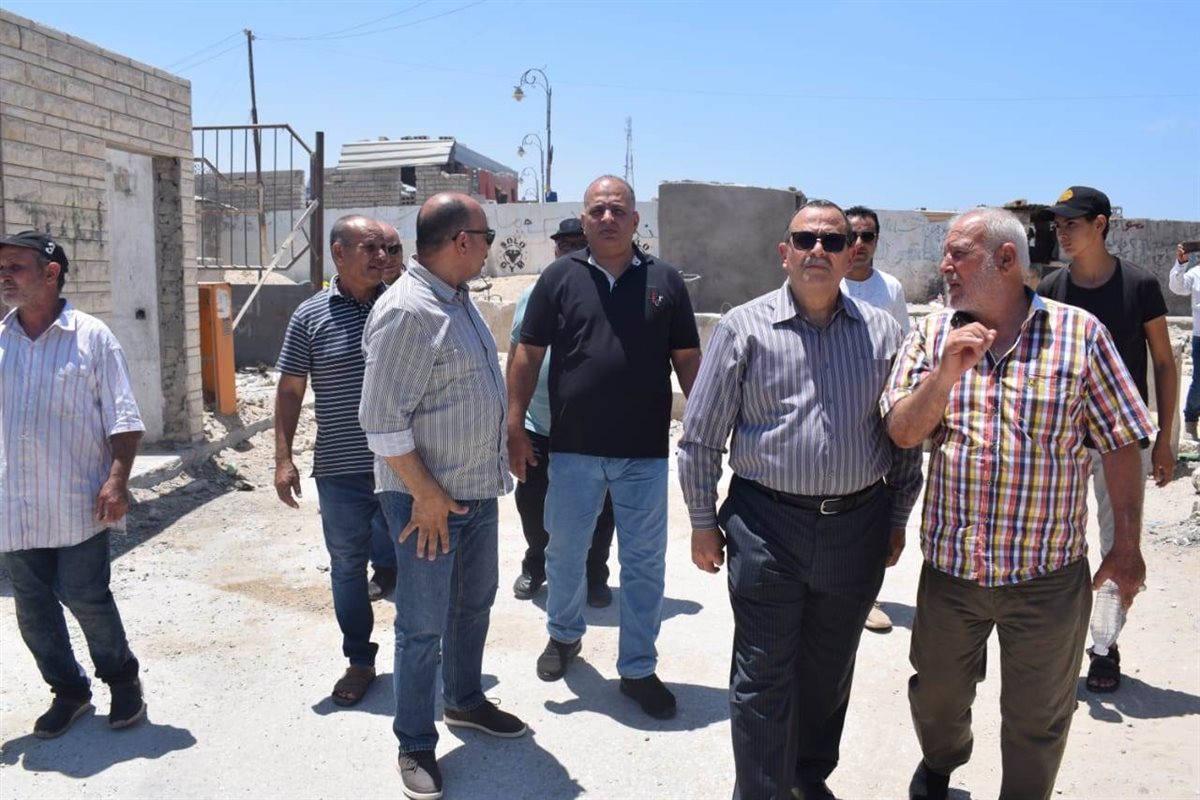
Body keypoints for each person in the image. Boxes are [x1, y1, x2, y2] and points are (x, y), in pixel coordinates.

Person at [882, 208, 1155, 800]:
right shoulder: (931, 335)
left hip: (1047, 579)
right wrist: (945, 375)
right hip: (952, 574)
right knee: (937, 699)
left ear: (1005, 260)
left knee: (1039, 718)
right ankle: (941, 763)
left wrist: (1127, 548)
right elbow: (902, 432)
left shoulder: (1081, 335)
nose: (944, 265)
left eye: (958, 254)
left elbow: (1121, 442)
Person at [678, 201, 922, 800]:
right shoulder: (743, 328)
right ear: (784, 252)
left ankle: (805, 780)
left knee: (829, 671)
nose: (818, 249)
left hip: (856, 527)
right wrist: (703, 522)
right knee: (762, 672)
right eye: (805, 239)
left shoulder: (885, 333)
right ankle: (761, 791)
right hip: (766, 526)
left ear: (850, 253)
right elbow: (702, 436)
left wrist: (896, 517)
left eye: (832, 241)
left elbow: (904, 439)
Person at [508, 175, 701, 719]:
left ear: (637, 220)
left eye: (618, 210)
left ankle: (637, 669)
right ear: (585, 218)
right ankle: (564, 635)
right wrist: (514, 425)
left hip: (644, 453)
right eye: (598, 210)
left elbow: (688, 359)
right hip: (572, 448)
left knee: (643, 564)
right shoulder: (558, 278)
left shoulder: (666, 281)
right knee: (564, 553)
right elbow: (527, 353)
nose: (608, 218)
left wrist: (706, 426)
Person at [360, 193, 526, 800]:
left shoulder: (455, 299)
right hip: (425, 502)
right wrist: (426, 494)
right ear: (462, 242)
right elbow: (380, 421)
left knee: (472, 605)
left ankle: (464, 700)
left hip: (474, 493)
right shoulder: (410, 310)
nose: (488, 248)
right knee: (422, 626)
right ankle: (414, 742)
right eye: (486, 237)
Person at [0, 231, 147, 738]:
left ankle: (122, 681)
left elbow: (124, 419)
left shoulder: (92, 338)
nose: (4, 276)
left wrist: (117, 480)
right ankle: (69, 692)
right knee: (33, 610)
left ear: (51, 273)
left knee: (86, 598)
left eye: (15, 266)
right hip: (15, 505)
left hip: (77, 500)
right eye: (1, 268)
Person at [1034, 186, 1176, 692]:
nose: (1063, 233)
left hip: (1121, 444)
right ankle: (1057, 644)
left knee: (1119, 544)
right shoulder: (1051, 287)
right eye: (1058, 225)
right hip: (1063, 442)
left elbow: (1164, 361)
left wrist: (1164, 438)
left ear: (1100, 224)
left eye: (1072, 223)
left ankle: (1103, 648)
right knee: (1055, 543)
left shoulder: (1139, 284)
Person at [274, 214, 397, 707]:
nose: (381, 257)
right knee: (347, 566)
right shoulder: (309, 316)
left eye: (385, 248)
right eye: (370, 248)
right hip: (340, 468)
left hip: (406, 467)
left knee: (421, 561)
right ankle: (360, 661)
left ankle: (423, 649)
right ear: (338, 253)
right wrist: (283, 458)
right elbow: (290, 389)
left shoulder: (404, 307)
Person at [510, 217, 616, 607]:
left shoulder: (609, 293)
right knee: (533, 503)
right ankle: (536, 564)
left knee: (600, 507)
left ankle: (594, 572)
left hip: (596, 428)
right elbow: (517, 357)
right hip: (539, 425)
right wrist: (512, 421)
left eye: (577, 244)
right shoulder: (533, 294)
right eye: (563, 245)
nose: (569, 251)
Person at [841, 204, 911, 634]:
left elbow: (904, 345)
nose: (859, 244)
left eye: (867, 236)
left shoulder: (890, 288)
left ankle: (868, 595)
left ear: (877, 241)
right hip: (837, 408)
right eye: (851, 236)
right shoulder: (827, 280)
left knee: (875, 504)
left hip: (880, 407)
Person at [1168, 242, 1200, 440]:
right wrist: (1180, 264)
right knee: (1199, 382)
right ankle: (1191, 420)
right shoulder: (1195, 274)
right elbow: (1177, 287)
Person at [380, 221, 405, 286]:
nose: (388, 260)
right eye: (380, 252)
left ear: (401, 250)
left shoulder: (420, 285)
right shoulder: (358, 289)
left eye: (393, 250)